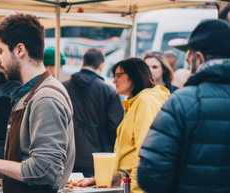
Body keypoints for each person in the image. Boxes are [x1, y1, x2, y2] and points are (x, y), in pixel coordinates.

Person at [0, 13, 75, 193]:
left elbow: (45, 170)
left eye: (0, 51)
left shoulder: (46, 97)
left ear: (20, 50)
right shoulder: (27, 94)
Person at [138, 19, 230, 193]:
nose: (188, 70)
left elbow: (150, 175)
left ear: (200, 58)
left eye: (189, 62)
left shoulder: (182, 101)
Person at [80, 58, 169, 193]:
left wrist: (134, 189)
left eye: (118, 75)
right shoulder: (135, 103)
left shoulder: (145, 101)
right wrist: (107, 178)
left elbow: (144, 151)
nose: (114, 81)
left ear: (135, 75)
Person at [62, 48, 123, 177]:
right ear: (101, 66)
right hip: (99, 159)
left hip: (67, 157)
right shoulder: (109, 91)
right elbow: (116, 129)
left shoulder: (62, 88)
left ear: (82, 63)